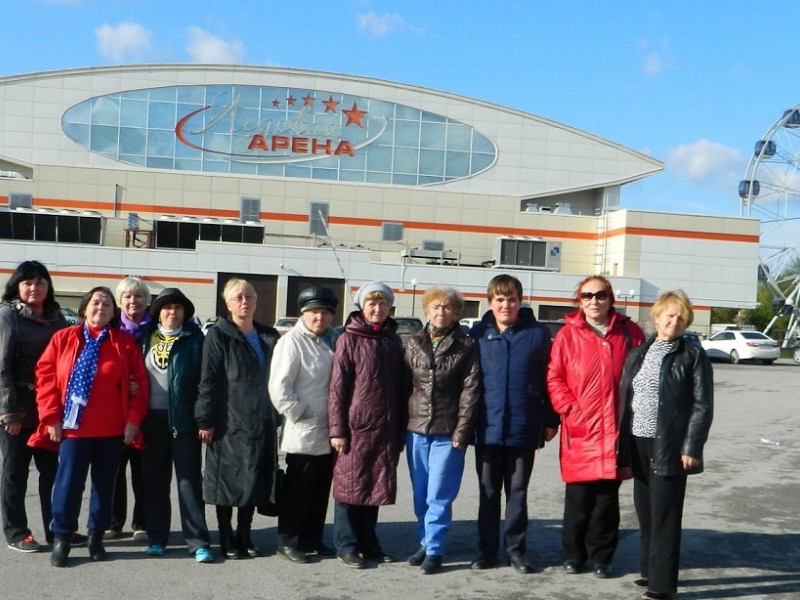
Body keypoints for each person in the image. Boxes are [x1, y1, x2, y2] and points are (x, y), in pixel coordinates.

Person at [30, 286, 149, 567]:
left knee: (104, 486)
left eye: (107, 304)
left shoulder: (124, 343)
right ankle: (62, 537)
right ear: (84, 309)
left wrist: (133, 421)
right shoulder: (63, 339)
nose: (101, 308)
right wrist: (51, 417)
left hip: (111, 430)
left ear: (113, 312)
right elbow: (45, 378)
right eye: (96, 303)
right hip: (72, 428)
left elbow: (139, 384)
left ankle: (96, 536)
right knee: (68, 485)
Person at [547, 276, 645, 578]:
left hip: (615, 430)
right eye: (587, 295)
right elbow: (555, 376)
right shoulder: (567, 335)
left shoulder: (630, 333)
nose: (594, 301)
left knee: (606, 500)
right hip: (581, 429)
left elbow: (643, 375)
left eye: (600, 295)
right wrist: (569, 407)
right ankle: (574, 555)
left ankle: (602, 557)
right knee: (578, 499)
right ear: (579, 300)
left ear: (610, 298)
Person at [620, 290, 713, 600]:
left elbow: (702, 406)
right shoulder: (639, 352)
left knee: (665, 515)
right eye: (669, 315)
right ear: (656, 317)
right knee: (645, 512)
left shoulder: (693, 355)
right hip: (638, 441)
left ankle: (662, 585)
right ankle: (649, 570)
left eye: (681, 317)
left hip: (669, 445)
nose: (674, 321)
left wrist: (692, 447)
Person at [469, 274, 558, 574]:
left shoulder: (537, 333)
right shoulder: (478, 334)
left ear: (520, 301)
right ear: (490, 302)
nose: (506, 305)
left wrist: (550, 420)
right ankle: (486, 551)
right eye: (499, 299)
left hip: (524, 426)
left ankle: (516, 551)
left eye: (511, 299)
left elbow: (549, 380)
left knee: (517, 493)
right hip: (487, 428)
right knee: (488, 493)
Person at [196, 278, 280, 560]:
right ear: (228, 304)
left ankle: (245, 533)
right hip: (228, 420)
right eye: (238, 297)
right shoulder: (218, 335)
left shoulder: (270, 336)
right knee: (226, 480)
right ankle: (226, 536)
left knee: (253, 477)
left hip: (261, 419)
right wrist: (205, 420)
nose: (245, 301)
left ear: (256, 302)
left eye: (249, 296)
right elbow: (208, 381)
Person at [328, 281, 406, 569]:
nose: (377, 308)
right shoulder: (349, 338)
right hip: (355, 427)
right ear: (362, 307)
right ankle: (346, 545)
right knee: (349, 487)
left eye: (382, 303)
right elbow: (337, 388)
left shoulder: (392, 340)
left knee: (374, 486)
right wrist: (337, 429)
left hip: (385, 428)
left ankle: (368, 543)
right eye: (372, 303)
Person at [404, 286, 480, 574]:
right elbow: (404, 386)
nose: (441, 312)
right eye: (435, 307)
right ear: (426, 310)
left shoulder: (467, 345)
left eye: (447, 307)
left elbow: (470, 392)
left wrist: (462, 431)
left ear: (456, 313)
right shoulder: (412, 343)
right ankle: (424, 540)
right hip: (416, 430)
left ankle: (435, 549)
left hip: (448, 433)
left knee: (439, 493)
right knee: (420, 492)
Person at [139, 288, 214, 563]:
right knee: (155, 482)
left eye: (178, 308)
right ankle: (157, 538)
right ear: (158, 312)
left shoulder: (196, 340)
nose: (172, 312)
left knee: (189, 483)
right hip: (151, 420)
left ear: (185, 313)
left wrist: (204, 418)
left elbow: (206, 383)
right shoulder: (145, 338)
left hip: (183, 420)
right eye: (167, 308)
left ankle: (198, 542)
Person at [0, 261, 71, 553]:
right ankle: (17, 532)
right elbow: (1, 366)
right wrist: (9, 411)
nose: (34, 288)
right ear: (17, 286)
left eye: (40, 282)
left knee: (53, 473)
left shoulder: (58, 319)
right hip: (18, 408)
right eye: (28, 282)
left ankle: (57, 529)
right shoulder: (7, 316)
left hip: (49, 410)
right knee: (15, 473)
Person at [268, 285, 339, 564]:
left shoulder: (329, 341)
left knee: (319, 490)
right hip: (305, 429)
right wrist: (301, 414)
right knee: (298, 490)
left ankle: (312, 538)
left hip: (328, 431)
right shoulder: (292, 342)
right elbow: (279, 388)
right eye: (314, 313)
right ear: (303, 314)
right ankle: (287, 541)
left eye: (325, 313)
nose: (319, 318)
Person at [105, 276, 150, 541]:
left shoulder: (156, 330)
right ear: (119, 301)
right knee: (113, 469)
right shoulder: (109, 331)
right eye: (127, 297)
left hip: (148, 409)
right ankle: (114, 522)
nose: (134, 301)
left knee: (143, 471)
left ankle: (141, 522)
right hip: (114, 409)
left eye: (139, 296)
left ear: (147, 300)